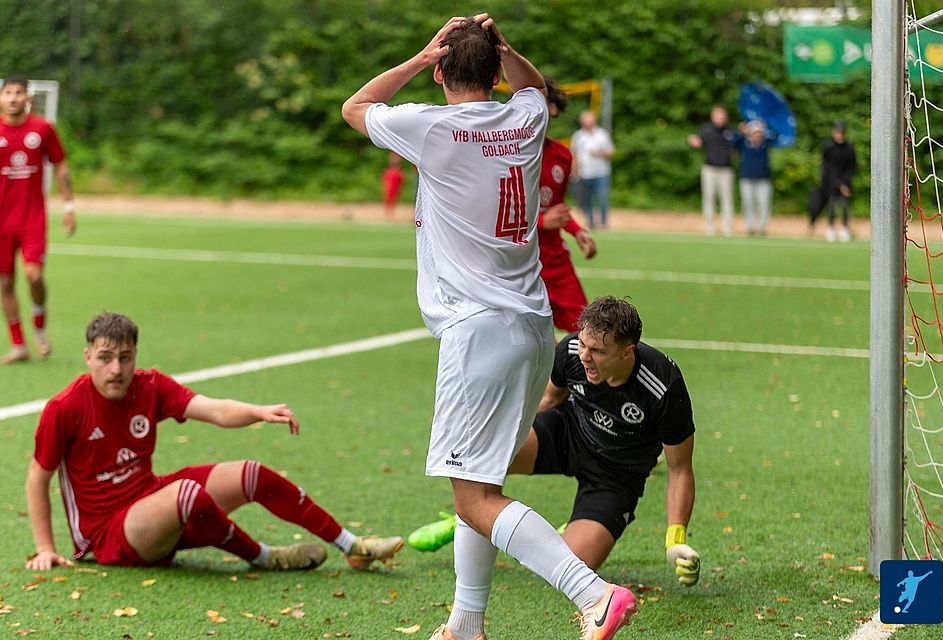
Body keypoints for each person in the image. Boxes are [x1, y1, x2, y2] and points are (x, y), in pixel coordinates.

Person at [342, 14, 636, 640]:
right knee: (483, 480)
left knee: (473, 499)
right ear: (498, 74)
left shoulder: (430, 125)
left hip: (478, 332)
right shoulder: (524, 117)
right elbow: (536, 87)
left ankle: (594, 595)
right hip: (532, 327)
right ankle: (466, 622)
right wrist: (506, 53)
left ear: (444, 70)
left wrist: (421, 57)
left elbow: (357, 105)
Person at [25, 312, 404, 573]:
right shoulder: (65, 407)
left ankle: (351, 546)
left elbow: (216, 410)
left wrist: (258, 411)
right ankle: (264, 557)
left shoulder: (149, 385)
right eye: (105, 358)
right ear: (88, 356)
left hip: (150, 500)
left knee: (250, 474)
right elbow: (36, 478)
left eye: (125, 358)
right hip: (107, 535)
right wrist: (46, 548)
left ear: (135, 356)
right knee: (186, 492)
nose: (116, 369)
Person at [410, 297, 701, 584]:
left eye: (597, 351)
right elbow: (547, 400)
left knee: (567, 566)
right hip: (568, 433)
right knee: (482, 457)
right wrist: (494, 436)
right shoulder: (572, 351)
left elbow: (680, 470)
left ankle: (501, 523)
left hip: (616, 475)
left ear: (627, 352)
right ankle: (470, 516)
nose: (584, 356)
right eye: (584, 344)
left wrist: (675, 539)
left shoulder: (663, 386)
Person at [0, 75, 75, 364]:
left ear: (28, 98)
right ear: (2, 98)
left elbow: (60, 164)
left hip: (31, 218)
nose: (14, 98)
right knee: (5, 284)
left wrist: (68, 206)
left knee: (34, 275)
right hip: (1, 222)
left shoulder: (43, 128)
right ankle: (18, 345)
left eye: (19, 93)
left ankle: (40, 328)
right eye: (8, 93)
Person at [538, 77, 596, 332]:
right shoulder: (505, 153)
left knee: (586, 331)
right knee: (533, 342)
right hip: (518, 265)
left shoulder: (562, 155)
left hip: (555, 262)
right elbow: (491, 210)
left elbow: (557, 208)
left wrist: (577, 231)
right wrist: (541, 223)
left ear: (552, 108)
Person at [688, 105, 735, 236]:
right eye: (718, 116)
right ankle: (710, 227)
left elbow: (738, 146)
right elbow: (696, 140)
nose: (720, 118)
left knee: (727, 199)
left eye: (722, 116)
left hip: (726, 169)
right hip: (710, 169)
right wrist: (693, 140)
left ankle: (727, 228)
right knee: (709, 198)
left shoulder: (730, 131)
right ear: (713, 117)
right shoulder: (706, 130)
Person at [733, 119, 777, 237]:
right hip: (747, 177)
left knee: (764, 204)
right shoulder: (744, 142)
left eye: (759, 132)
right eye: (755, 132)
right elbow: (733, 141)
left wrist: (765, 125)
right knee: (748, 204)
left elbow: (775, 136)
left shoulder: (766, 143)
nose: (758, 134)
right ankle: (750, 227)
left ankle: (763, 227)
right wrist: (741, 132)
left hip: (764, 178)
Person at [570, 110, 614, 229]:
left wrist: (599, 153)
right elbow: (575, 156)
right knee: (586, 199)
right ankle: (590, 221)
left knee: (602, 197)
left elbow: (611, 152)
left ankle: (604, 223)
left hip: (601, 172)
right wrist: (575, 172)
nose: (586, 122)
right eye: (584, 119)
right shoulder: (578, 136)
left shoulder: (602, 134)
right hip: (585, 173)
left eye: (588, 119)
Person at [819, 120, 857, 242]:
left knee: (844, 205)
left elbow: (852, 167)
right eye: (837, 132)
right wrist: (834, 181)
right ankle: (830, 228)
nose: (839, 135)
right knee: (831, 205)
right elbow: (826, 166)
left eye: (841, 133)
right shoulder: (828, 146)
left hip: (845, 182)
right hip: (831, 182)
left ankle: (845, 229)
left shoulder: (849, 148)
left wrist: (845, 183)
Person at [382, 151, 406, 218]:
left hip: (394, 173)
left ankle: (390, 210)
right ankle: (388, 211)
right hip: (393, 173)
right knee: (389, 194)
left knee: (393, 194)